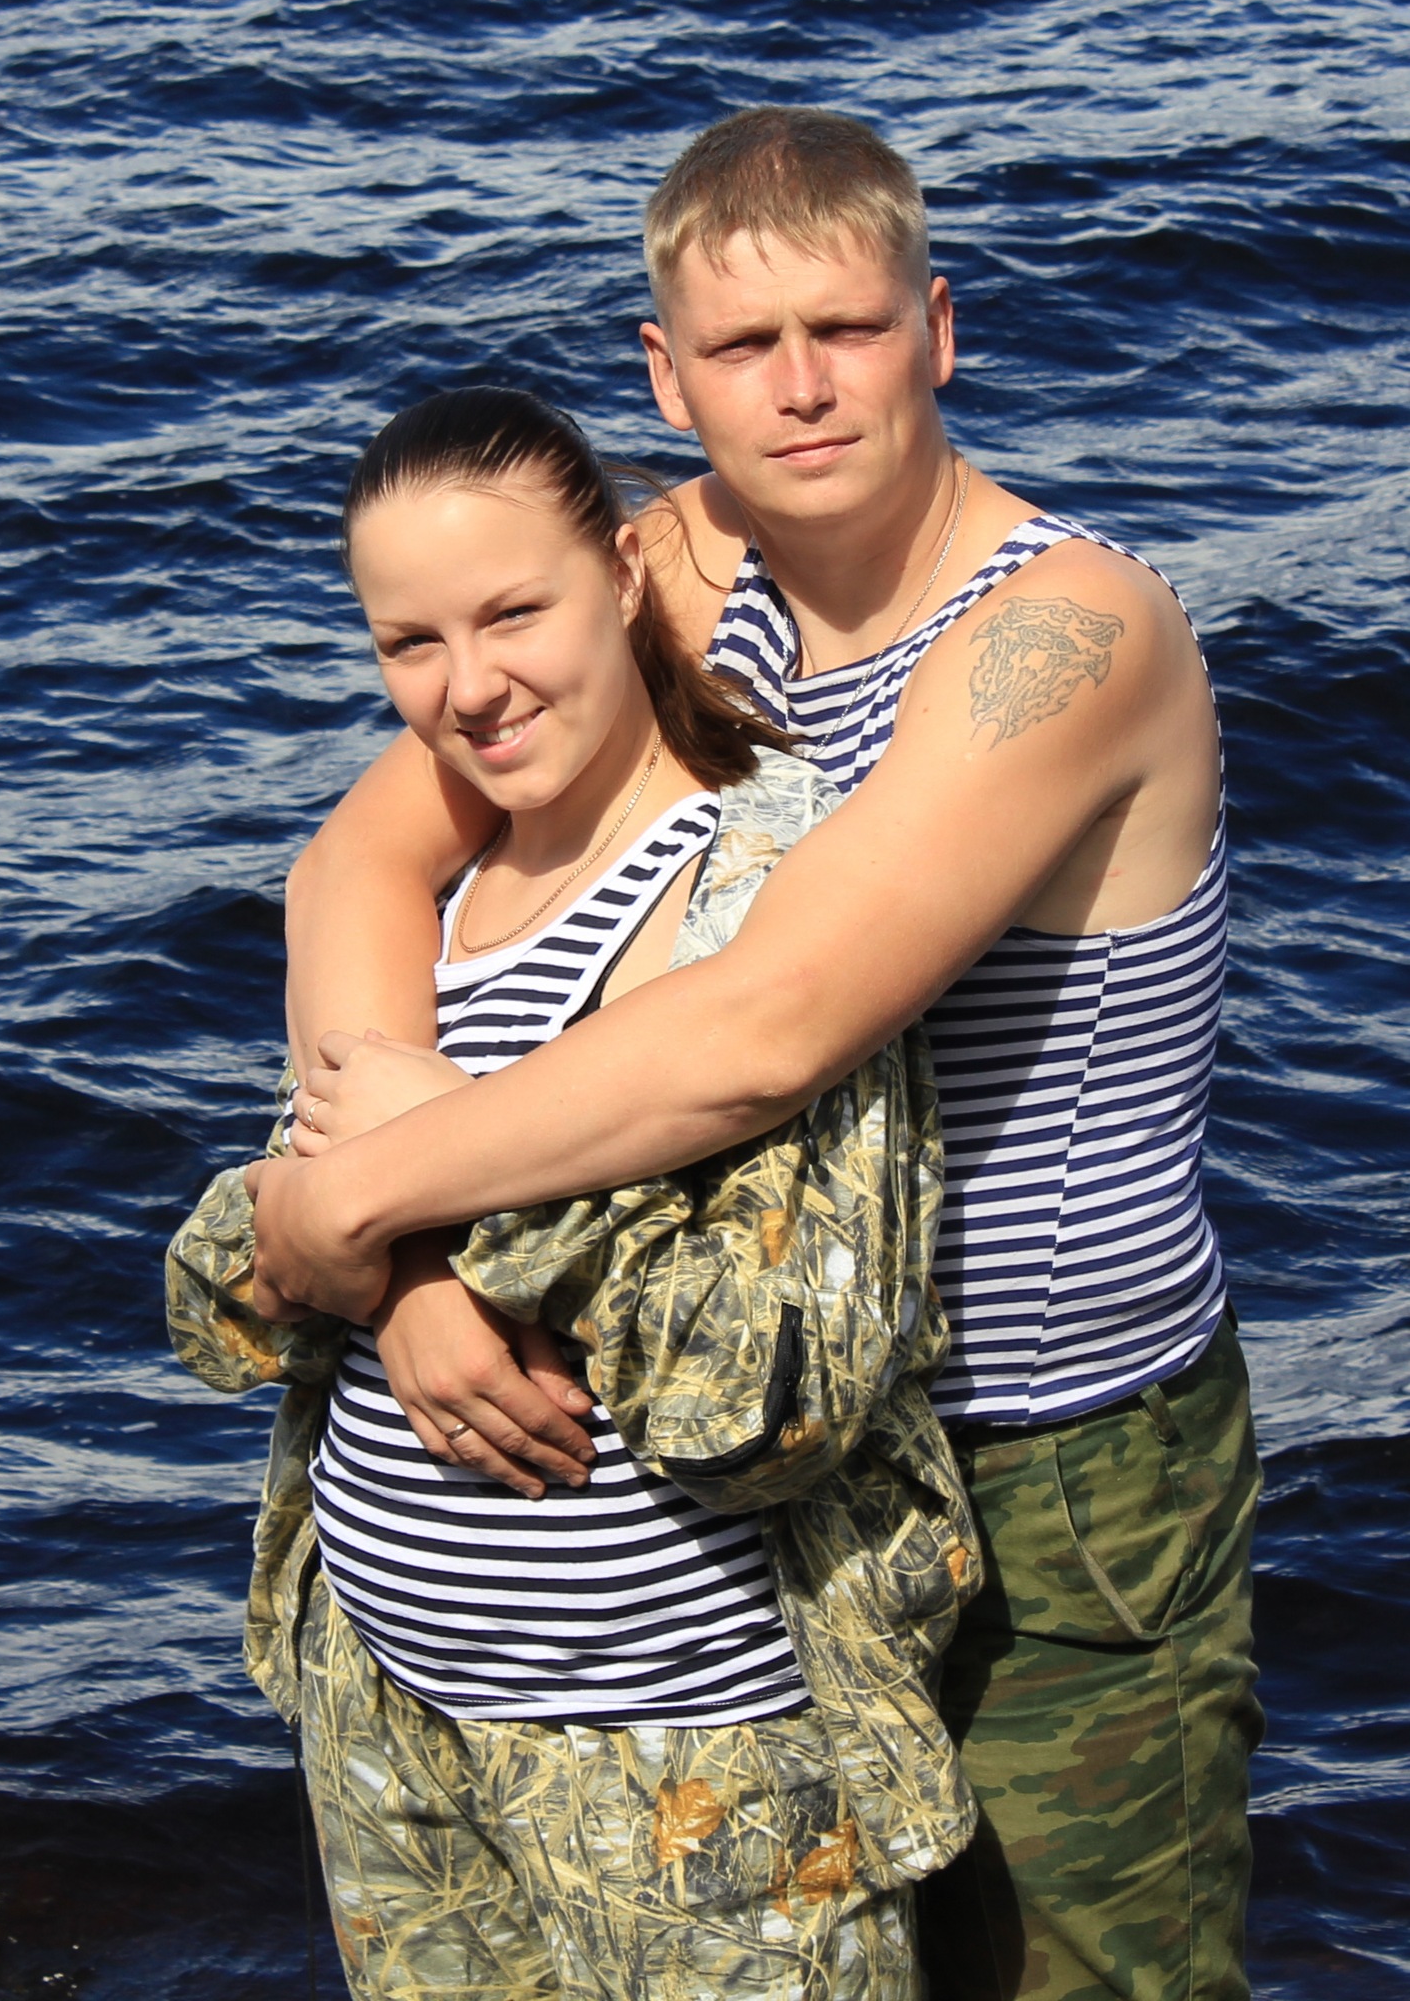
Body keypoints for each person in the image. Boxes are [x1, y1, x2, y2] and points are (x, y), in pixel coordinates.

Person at [247, 110, 1263, 2000]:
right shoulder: (673, 569)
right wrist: (405, 1282)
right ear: (668, 375)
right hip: (778, 1471)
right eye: (742, 346)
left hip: (1051, 1460)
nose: (801, 389)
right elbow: (357, 865)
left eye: (848, 330)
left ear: (935, 330)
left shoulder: (1065, 632)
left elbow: (765, 1032)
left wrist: (349, 1200)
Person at [168, 383, 984, 2001]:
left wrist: (438, 1181)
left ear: (619, 576)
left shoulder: (766, 888)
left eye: (511, 614)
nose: (468, 687)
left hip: (694, 1767)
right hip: (391, 1720)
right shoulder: (432, 907)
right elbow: (229, 1298)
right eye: (410, 643)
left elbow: (773, 1398)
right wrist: (402, 1276)